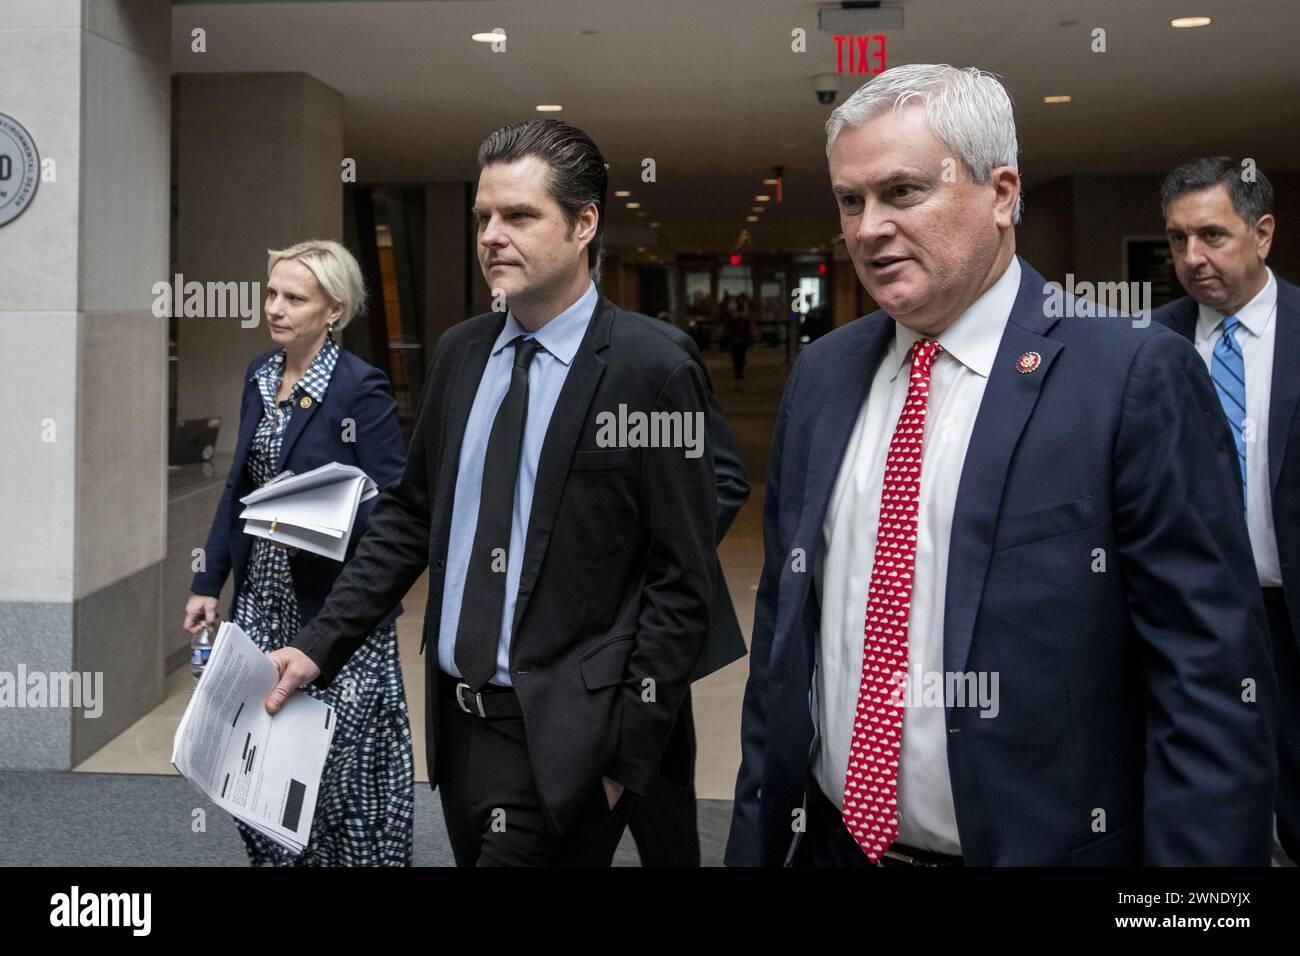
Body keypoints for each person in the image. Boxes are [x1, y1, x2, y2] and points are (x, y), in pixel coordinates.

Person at [726, 64, 1277, 867]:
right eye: (852, 201)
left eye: (904, 192)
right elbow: (783, 645)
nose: (869, 227)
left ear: (1002, 192)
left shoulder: (1128, 375)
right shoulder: (824, 376)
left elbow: (1209, 685)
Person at [262, 120, 718, 866]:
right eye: (483, 218)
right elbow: (412, 518)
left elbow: (682, 580)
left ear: (584, 224)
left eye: (519, 215)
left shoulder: (652, 369)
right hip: (461, 729)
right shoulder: (461, 353)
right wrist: (319, 646)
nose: (492, 236)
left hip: (567, 734)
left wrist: (622, 758)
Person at [184, 239, 413, 866]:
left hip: (335, 611)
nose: (276, 308)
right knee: (250, 765)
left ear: (333, 310)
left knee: (334, 777)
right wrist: (208, 580)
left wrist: (324, 511)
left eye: (294, 297)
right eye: (271, 294)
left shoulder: (359, 388)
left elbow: (396, 502)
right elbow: (239, 486)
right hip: (262, 604)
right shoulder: (259, 375)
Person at [1154, 157, 1300, 864]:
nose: (1192, 258)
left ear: (1263, 233)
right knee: (1208, 817)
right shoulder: (1143, 347)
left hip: (1286, 617)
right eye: (1178, 240)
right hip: (1186, 625)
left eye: (1211, 235)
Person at [623, 314, 750, 867]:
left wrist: (643, 567)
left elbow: (723, 479)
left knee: (659, 802)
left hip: (646, 623)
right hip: (538, 635)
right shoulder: (491, 357)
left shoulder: (657, 354)